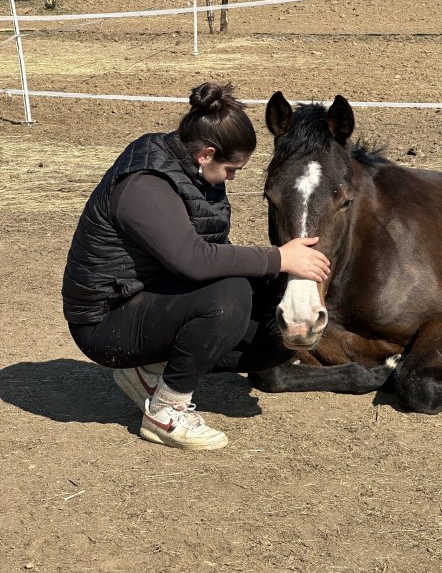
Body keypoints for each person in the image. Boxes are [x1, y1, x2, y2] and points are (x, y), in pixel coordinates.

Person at [62, 82, 330, 451]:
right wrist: (278, 257)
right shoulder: (145, 184)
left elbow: (208, 254)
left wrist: (281, 272)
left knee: (274, 309)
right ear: (206, 154)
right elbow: (192, 259)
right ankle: (165, 412)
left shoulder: (195, 174)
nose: (233, 178)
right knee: (229, 295)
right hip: (106, 322)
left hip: (152, 299)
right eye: (232, 169)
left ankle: (149, 372)